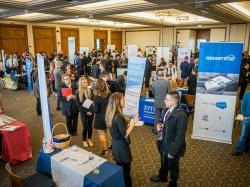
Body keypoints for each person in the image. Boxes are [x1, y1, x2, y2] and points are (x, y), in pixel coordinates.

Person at [150, 92, 188, 187]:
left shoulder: (181, 115)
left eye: (166, 99)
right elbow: (165, 122)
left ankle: (173, 183)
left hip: (172, 146)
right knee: (164, 161)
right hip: (164, 142)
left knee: (173, 165)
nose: (164, 101)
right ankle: (162, 176)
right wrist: (160, 126)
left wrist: (173, 151)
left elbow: (180, 136)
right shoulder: (167, 109)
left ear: (174, 101)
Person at [105, 92, 139, 187]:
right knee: (126, 172)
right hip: (122, 148)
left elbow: (114, 129)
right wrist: (133, 123)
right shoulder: (119, 116)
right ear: (117, 102)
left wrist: (125, 126)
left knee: (120, 168)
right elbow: (125, 134)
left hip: (115, 145)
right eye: (123, 99)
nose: (125, 101)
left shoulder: (110, 113)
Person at [93, 78, 110, 156]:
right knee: (107, 132)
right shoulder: (109, 94)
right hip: (108, 117)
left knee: (101, 134)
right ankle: (111, 145)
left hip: (100, 119)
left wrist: (93, 105)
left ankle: (104, 150)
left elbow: (96, 110)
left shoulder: (96, 98)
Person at [76, 77, 94, 147]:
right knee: (85, 127)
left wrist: (91, 111)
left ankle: (89, 139)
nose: (86, 84)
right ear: (81, 83)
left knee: (90, 126)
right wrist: (86, 112)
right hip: (83, 112)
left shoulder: (90, 90)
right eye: (84, 83)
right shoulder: (77, 92)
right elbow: (78, 105)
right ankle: (84, 140)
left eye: (86, 82)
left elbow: (92, 101)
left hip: (91, 111)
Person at [232, 91, 250, 156]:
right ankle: (239, 150)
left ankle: (247, 147)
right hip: (247, 119)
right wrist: (245, 115)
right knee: (243, 136)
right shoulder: (247, 94)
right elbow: (243, 106)